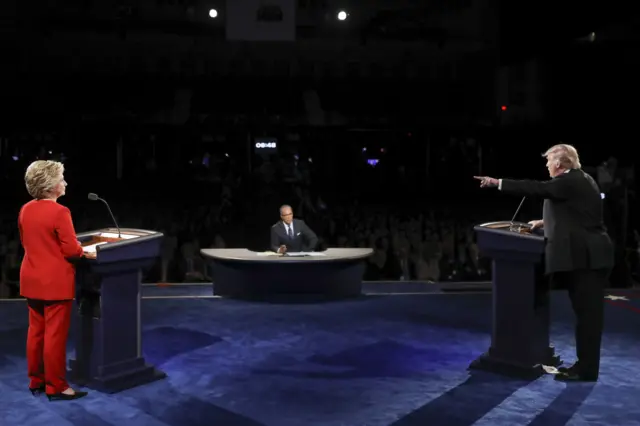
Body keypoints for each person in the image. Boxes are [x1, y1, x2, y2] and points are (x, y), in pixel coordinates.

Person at [474, 143, 614, 382]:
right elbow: (575, 214)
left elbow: (536, 188)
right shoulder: (579, 180)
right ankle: (585, 366)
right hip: (587, 255)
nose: (547, 165)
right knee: (587, 316)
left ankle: (586, 370)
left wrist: (497, 182)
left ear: (559, 163)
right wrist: (543, 221)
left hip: (587, 258)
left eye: (549, 161)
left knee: (588, 318)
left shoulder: (569, 181)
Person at [19, 160, 89, 400]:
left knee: (36, 332)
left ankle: (36, 381)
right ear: (50, 186)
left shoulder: (25, 209)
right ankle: (57, 386)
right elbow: (71, 250)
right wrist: (82, 250)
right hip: (55, 282)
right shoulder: (60, 211)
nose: (65, 182)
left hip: (31, 278)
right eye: (61, 178)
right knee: (54, 336)